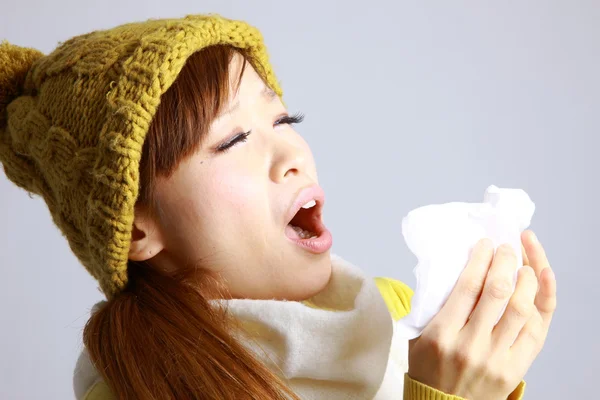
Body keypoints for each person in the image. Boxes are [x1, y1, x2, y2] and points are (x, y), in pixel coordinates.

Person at [0, 14, 556, 400]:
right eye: (234, 140)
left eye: (285, 120)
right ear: (137, 229)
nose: (292, 153)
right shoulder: (131, 390)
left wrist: (491, 375)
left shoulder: (396, 317)